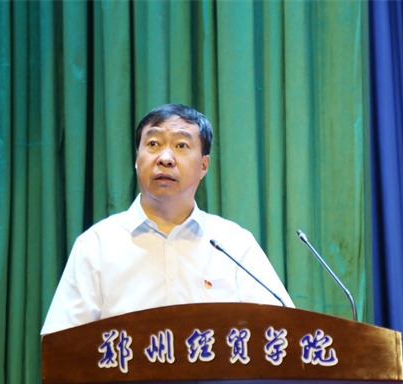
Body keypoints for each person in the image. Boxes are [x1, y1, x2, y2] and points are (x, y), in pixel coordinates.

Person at [41, 103, 294, 335]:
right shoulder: (96, 245)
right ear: (137, 160)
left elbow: (283, 333)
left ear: (204, 165)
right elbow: (60, 345)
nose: (165, 158)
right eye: (153, 144)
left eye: (181, 146)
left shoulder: (234, 244)